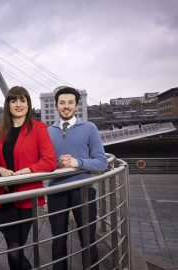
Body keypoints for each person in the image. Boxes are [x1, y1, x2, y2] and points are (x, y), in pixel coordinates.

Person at [0, 86, 56, 270]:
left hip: (25, 200)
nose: (18, 104)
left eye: (22, 100)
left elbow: (49, 161)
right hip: (3, 200)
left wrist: (27, 170)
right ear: (7, 105)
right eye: (13, 100)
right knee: (13, 249)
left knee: (15, 251)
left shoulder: (39, 128)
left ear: (28, 104)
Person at [47, 86, 108, 270]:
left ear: (77, 105)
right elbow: (42, 163)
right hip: (55, 191)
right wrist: (55, 164)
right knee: (58, 241)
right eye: (62, 102)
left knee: (88, 240)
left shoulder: (90, 128)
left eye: (70, 102)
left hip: (83, 191)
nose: (66, 106)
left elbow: (101, 163)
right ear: (56, 106)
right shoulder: (47, 132)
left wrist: (76, 162)